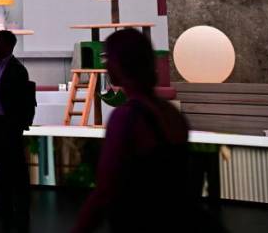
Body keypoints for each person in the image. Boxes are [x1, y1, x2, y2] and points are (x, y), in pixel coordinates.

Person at [72, 28, 201, 233]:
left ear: (120, 64)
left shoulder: (126, 117)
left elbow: (105, 189)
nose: (106, 65)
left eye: (108, 59)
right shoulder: (172, 114)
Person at [0, 30, 32, 228]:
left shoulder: (18, 70)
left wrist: (17, 125)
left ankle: (21, 207)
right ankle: (5, 205)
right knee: (1, 166)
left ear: (8, 45)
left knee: (16, 167)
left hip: (10, 125)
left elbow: (22, 102)